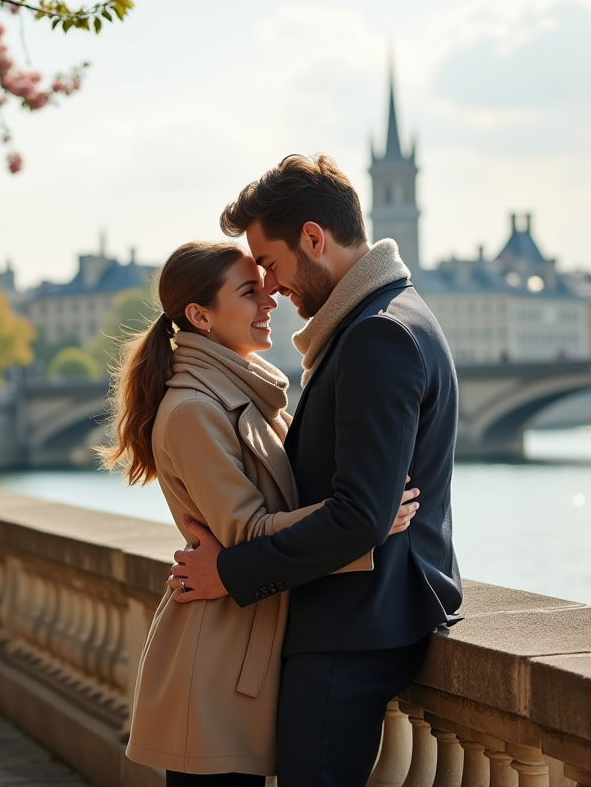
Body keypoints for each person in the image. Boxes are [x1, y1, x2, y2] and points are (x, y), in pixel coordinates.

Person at [169, 154, 463, 787]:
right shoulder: (391, 317)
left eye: (269, 264)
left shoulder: (375, 335)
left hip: (350, 630)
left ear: (313, 238)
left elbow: (361, 516)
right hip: (356, 623)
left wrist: (230, 571)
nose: (270, 287)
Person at [101, 241, 420, 787]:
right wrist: (363, 519)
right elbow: (246, 532)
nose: (270, 298)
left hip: (245, 640)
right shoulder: (194, 410)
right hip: (217, 661)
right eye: (249, 291)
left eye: (264, 283)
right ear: (200, 316)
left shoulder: (244, 397)